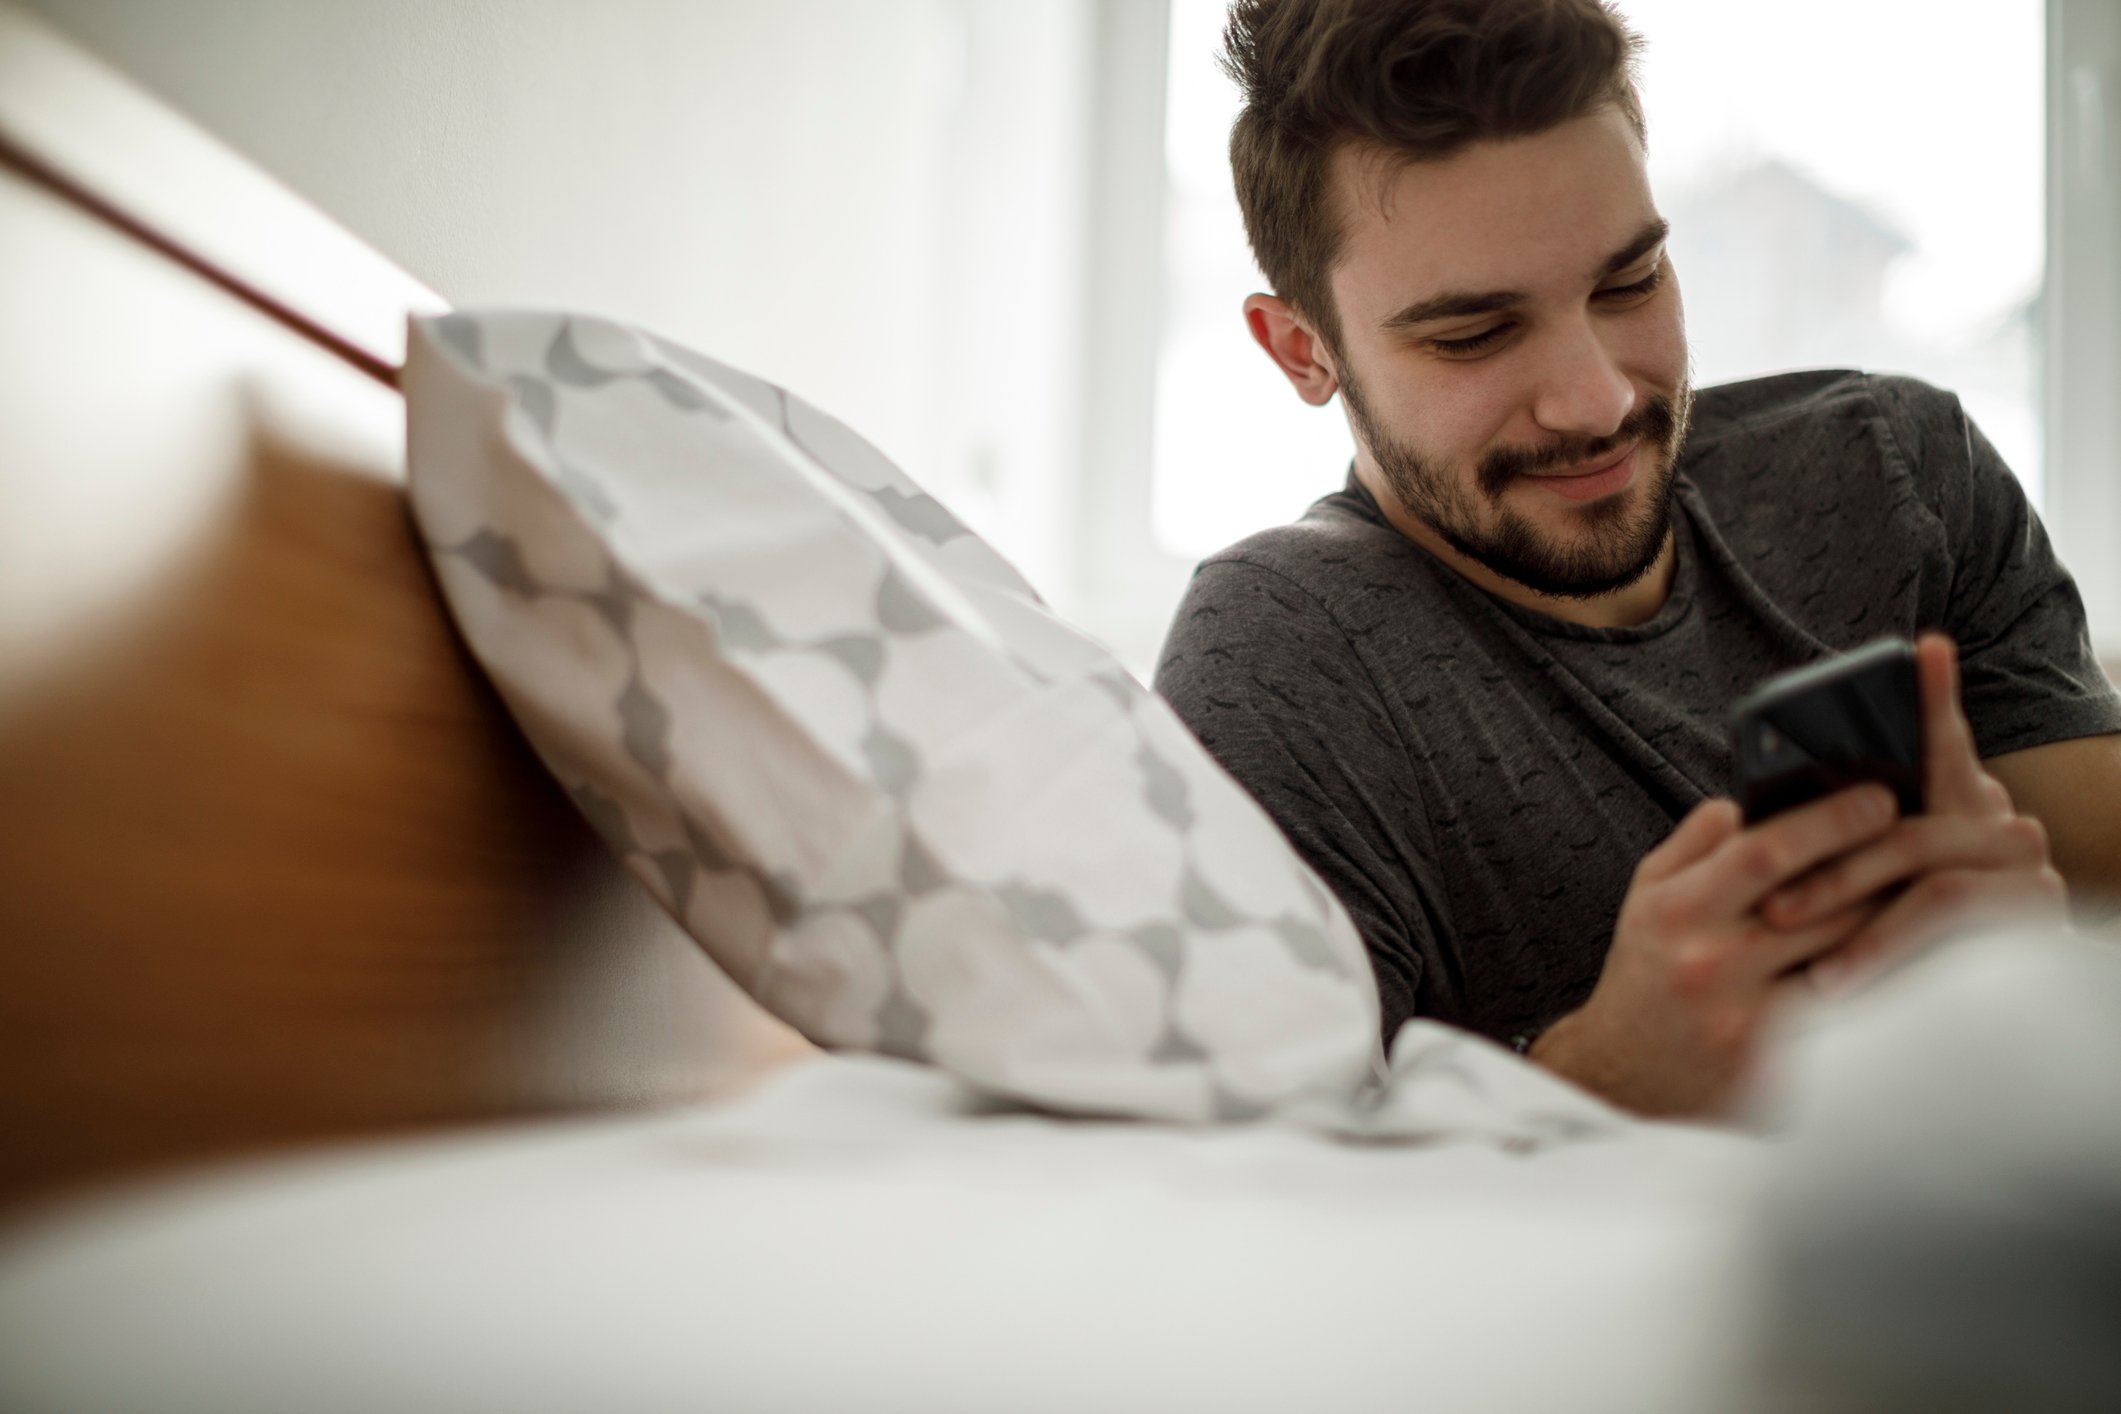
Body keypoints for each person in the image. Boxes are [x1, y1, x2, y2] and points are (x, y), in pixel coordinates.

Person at [1153, 0, 2121, 1116]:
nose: (1600, 400)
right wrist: (1597, 1076)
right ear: (1301, 350)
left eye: (1629, 284)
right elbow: (1261, 1174)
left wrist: (2034, 956)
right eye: (1473, 335)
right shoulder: (1284, 658)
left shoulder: (1895, 472)